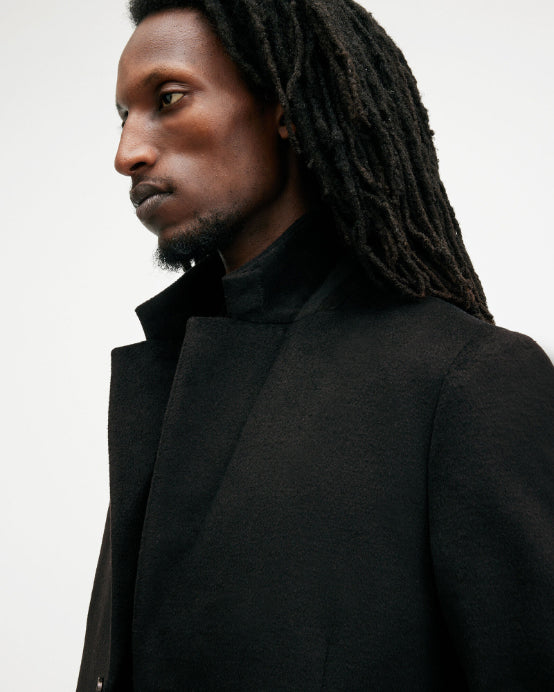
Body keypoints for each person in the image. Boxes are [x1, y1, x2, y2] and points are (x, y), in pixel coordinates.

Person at [77, 1, 554, 689]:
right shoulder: (171, 378)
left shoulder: (465, 382)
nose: (128, 154)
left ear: (286, 106)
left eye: (169, 99)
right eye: (124, 116)